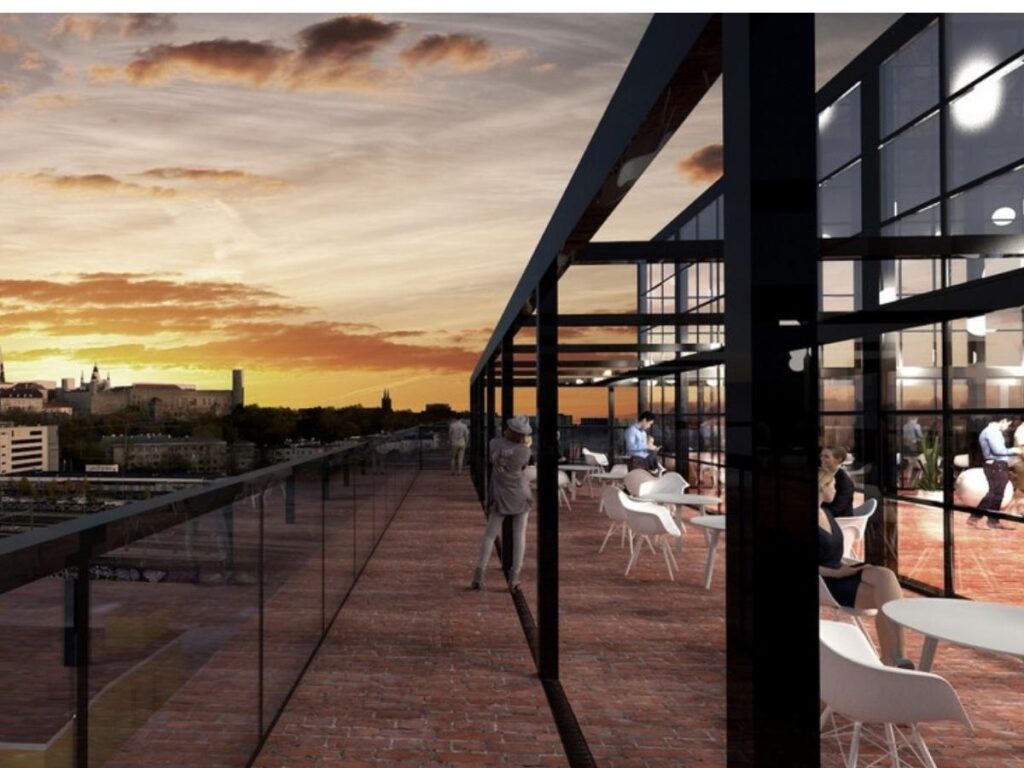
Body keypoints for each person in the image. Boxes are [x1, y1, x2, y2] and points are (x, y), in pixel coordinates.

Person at [818, 467, 912, 668]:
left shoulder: (826, 513)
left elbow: (835, 554)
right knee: (886, 600)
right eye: (832, 485)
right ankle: (893, 659)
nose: (836, 489)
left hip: (842, 570)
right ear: (822, 487)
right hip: (827, 581)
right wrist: (838, 572)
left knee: (885, 575)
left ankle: (895, 657)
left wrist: (851, 566)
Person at [471, 415, 533, 592]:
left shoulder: (494, 444)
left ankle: (479, 575)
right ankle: (514, 578)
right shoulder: (525, 452)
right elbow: (522, 468)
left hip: (500, 495)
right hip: (520, 494)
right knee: (519, 535)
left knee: (490, 535)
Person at [970, 417, 1020, 529]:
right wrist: (1015, 450)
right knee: (995, 493)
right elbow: (999, 451)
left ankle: (993, 520)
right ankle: (975, 517)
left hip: (996, 465)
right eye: (1008, 424)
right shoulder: (992, 432)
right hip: (996, 465)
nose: (1007, 427)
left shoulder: (990, 431)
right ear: (1003, 421)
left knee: (997, 494)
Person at [820, 446, 854, 518]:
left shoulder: (845, 481)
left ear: (838, 460)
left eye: (826, 456)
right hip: (824, 512)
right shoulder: (823, 474)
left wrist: (821, 514)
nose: (822, 459)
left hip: (839, 518)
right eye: (821, 456)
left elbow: (837, 508)